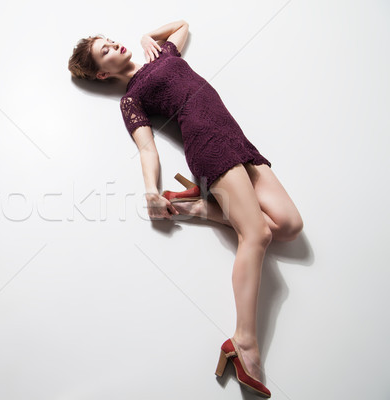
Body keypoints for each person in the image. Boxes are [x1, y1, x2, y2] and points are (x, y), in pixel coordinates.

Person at [68, 20, 304, 398]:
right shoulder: (130, 99)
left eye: (112, 40)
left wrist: (148, 35)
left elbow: (182, 25)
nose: (115, 45)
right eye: (105, 51)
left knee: (289, 225)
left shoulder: (163, 52)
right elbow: (147, 148)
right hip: (207, 143)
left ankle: (200, 205)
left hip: (235, 135)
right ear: (101, 73)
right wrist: (150, 190)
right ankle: (244, 342)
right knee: (256, 233)